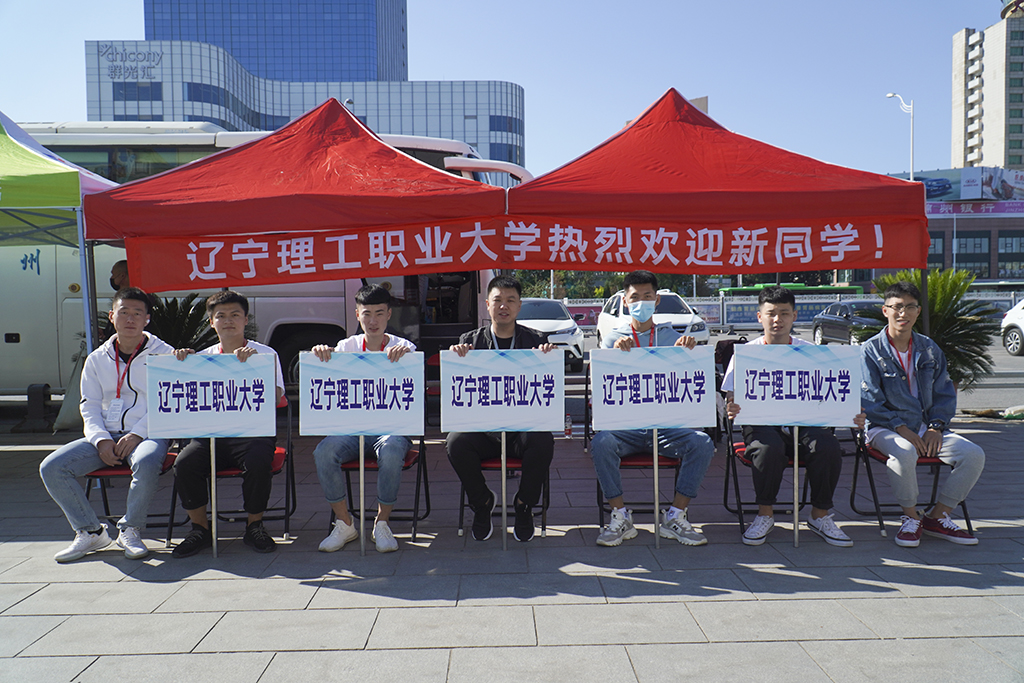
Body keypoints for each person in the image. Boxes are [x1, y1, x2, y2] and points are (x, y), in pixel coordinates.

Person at [723, 285, 865, 547]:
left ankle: (819, 515)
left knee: (828, 446)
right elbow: (732, 396)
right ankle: (765, 515)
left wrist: (850, 413)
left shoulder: (812, 353)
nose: (777, 319)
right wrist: (731, 406)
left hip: (805, 422)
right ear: (760, 317)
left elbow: (832, 393)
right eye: (771, 313)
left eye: (784, 313)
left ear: (794, 316)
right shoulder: (746, 354)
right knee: (768, 449)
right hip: (762, 423)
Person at [39, 287, 174, 562]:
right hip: (107, 435)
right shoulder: (97, 358)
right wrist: (101, 440)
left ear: (147, 319)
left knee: (147, 460)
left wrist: (137, 434)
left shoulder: (165, 354)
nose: (130, 319)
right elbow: (88, 405)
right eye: (124, 312)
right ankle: (90, 532)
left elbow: (168, 401)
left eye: (137, 313)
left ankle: (130, 530)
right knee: (52, 467)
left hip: (149, 433)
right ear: (112, 316)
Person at [591, 270, 715, 547]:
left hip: (667, 428)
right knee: (601, 443)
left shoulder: (674, 338)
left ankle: (675, 515)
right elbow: (603, 387)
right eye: (635, 297)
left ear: (657, 300)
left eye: (647, 296)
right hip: (627, 429)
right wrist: (613, 355)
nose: (641, 302)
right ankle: (620, 516)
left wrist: (690, 352)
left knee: (702, 443)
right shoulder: (612, 339)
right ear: (625, 301)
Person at [861, 280, 985, 547]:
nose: (903, 313)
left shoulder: (929, 349)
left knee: (973, 455)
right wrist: (901, 428)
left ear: (918, 311)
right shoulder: (870, 350)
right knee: (904, 452)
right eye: (897, 307)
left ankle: (937, 516)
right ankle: (911, 517)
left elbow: (944, 394)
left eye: (910, 307)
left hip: (926, 427)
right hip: (884, 428)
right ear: (885, 310)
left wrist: (935, 427)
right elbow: (870, 401)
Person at [169, 291, 285, 558]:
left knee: (258, 461)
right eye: (221, 316)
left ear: (246, 320)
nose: (228, 321)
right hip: (210, 434)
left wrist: (253, 367)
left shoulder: (265, 354)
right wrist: (180, 365)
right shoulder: (201, 357)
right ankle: (200, 529)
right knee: (184, 462)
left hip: (253, 433)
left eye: (235, 315)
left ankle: (254, 525)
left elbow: (276, 397)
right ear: (211, 322)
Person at [446, 275, 557, 543]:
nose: (503, 306)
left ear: (519, 306)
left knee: (543, 441)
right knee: (455, 442)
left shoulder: (536, 341)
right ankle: (482, 502)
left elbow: (550, 387)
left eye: (510, 300)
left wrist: (550, 356)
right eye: (497, 300)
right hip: (484, 432)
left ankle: (524, 505)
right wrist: (455, 357)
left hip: (521, 432)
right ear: (487, 305)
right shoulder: (470, 342)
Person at [313, 284, 416, 553]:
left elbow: (414, 389)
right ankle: (344, 523)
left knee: (391, 450)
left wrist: (408, 361)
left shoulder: (405, 347)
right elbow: (325, 378)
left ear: (389, 314)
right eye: (367, 314)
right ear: (357, 315)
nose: (373, 321)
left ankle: (382, 523)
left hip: (391, 429)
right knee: (324, 451)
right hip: (352, 429)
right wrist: (322, 355)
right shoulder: (345, 347)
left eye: (379, 313)